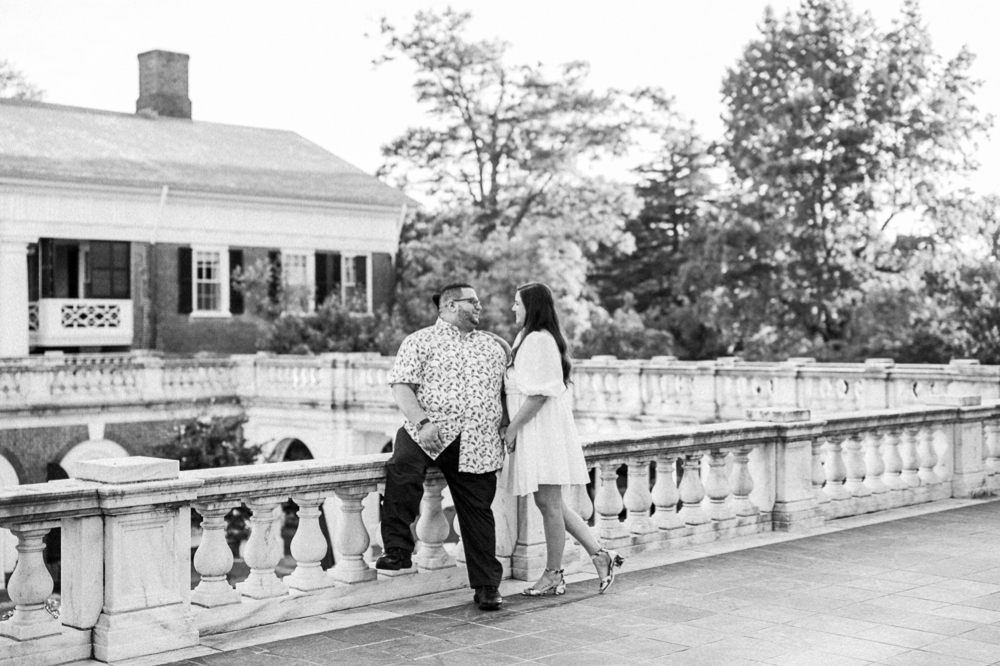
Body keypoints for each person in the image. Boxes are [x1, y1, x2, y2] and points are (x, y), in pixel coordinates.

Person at [377, 283, 508, 611]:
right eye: (472, 301)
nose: (479, 306)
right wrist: (422, 423)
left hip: (477, 439)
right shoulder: (419, 340)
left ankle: (487, 586)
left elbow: (507, 392)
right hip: (427, 430)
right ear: (450, 305)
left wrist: (506, 424)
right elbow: (402, 386)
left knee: (478, 511)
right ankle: (397, 551)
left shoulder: (493, 347)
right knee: (402, 469)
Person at [502, 282, 624, 596]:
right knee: (550, 502)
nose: (513, 309)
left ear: (532, 307)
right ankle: (600, 555)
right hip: (540, 428)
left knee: (549, 504)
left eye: (517, 303)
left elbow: (540, 393)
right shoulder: (529, 338)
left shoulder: (539, 341)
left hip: (542, 429)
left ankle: (554, 573)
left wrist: (512, 428)